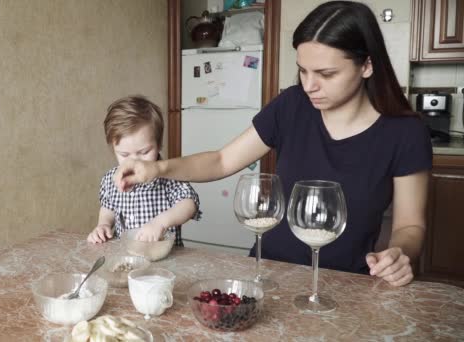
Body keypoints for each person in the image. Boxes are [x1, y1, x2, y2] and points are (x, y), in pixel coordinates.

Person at [114, 1, 432, 287]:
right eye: (303, 70)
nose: (309, 85)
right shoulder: (291, 105)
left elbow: (410, 225)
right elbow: (222, 161)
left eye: (326, 73)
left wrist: (399, 253)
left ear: (367, 65)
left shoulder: (405, 132)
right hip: (268, 273)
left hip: (345, 283)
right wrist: (157, 167)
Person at [87, 95, 201, 245]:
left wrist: (160, 223)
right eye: (124, 154)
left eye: (144, 152)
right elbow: (108, 208)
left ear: (159, 144)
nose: (135, 161)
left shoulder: (168, 175)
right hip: (128, 257)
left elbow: (188, 205)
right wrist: (103, 225)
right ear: (113, 149)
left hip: (166, 258)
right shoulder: (110, 179)